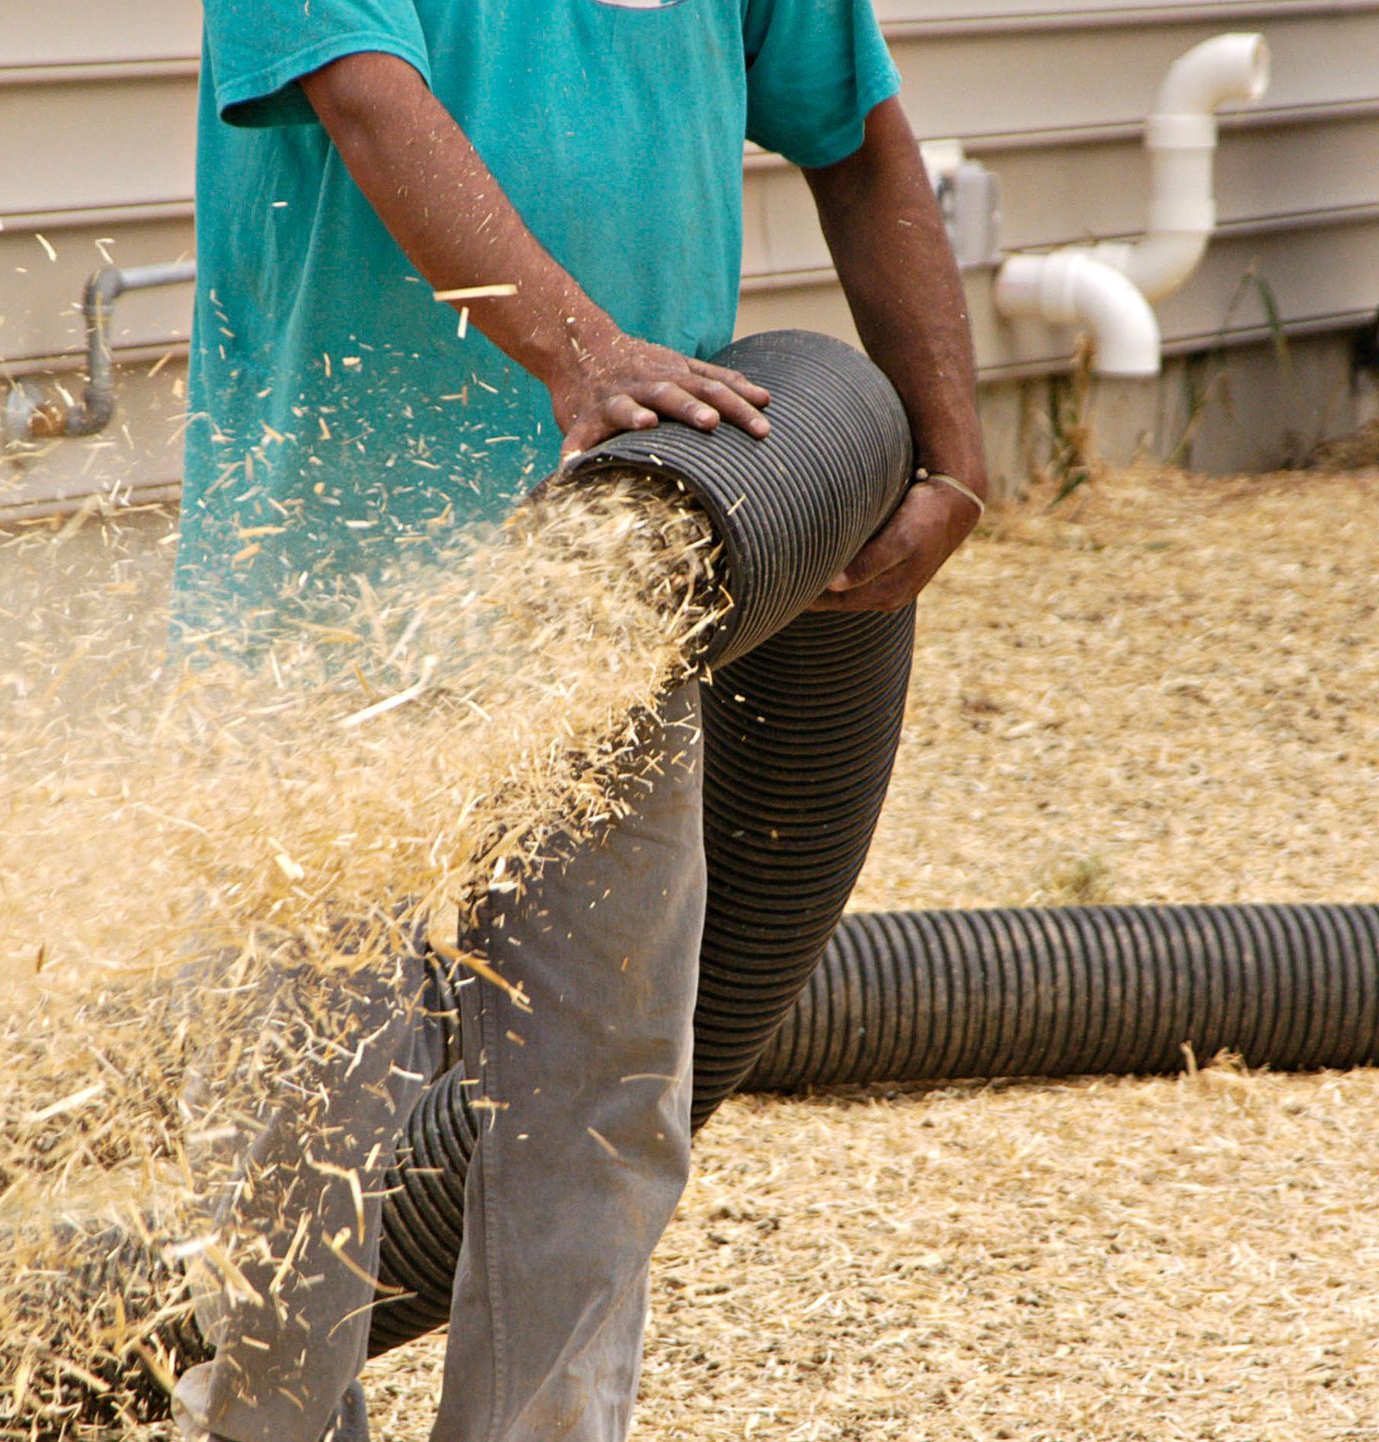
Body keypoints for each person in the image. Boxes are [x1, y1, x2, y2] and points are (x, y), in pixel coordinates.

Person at [168, 3, 989, 1440]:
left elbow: (855, 138)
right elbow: (366, 99)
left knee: (600, 1098)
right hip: (320, 613)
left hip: (611, 590)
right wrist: (579, 350)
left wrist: (956, 461)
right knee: (298, 1124)